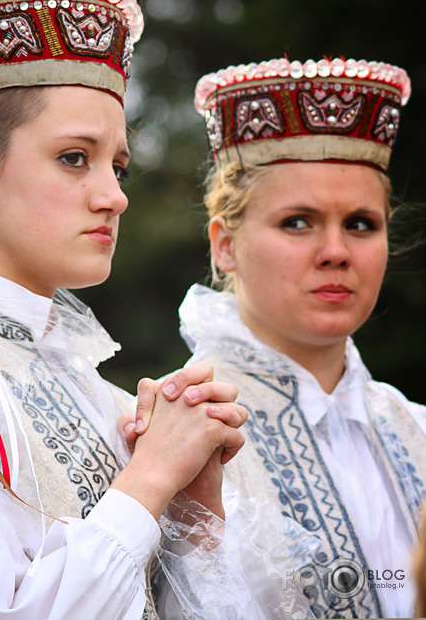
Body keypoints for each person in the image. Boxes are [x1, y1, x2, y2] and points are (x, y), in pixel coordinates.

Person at [0, 0, 249, 620]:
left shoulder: (88, 384)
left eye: (117, 166)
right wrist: (149, 478)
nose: (114, 194)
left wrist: (190, 509)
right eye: (75, 157)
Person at [178, 57, 426, 619]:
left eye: (361, 223)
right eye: (298, 221)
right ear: (225, 244)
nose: (336, 251)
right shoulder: (183, 434)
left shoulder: (418, 432)